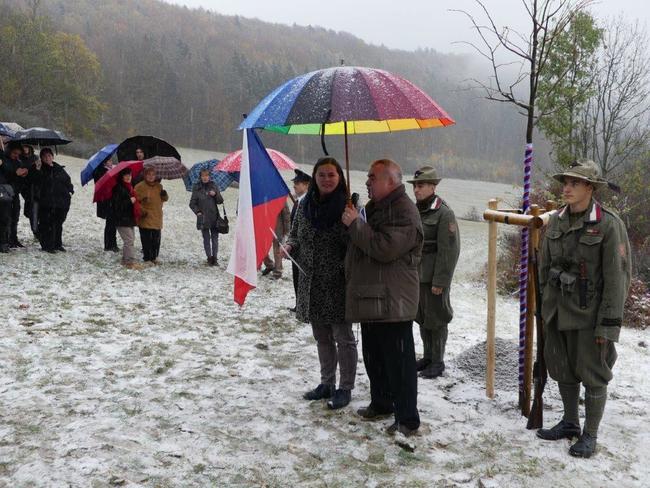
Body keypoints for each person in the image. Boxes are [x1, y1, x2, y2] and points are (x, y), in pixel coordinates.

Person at [536, 159, 631, 458]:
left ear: (590, 188)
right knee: (562, 370)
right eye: (565, 182)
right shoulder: (557, 220)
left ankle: (590, 434)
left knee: (593, 375)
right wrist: (543, 307)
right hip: (557, 311)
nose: (567, 187)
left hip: (589, 317)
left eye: (575, 183)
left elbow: (618, 279)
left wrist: (608, 325)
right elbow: (544, 267)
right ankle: (569, 422)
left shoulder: (608, 224)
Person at [341, 158, 423, 437]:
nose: (367, 182)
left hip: (394, 301)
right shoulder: (375, 207)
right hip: (373, 296)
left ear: (391, 181)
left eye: (372, 177)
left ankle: (408, 419)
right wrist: (354, 221)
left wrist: (356, 225)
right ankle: (382, 402)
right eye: (367, 177)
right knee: (374, 356)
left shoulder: (404, 211)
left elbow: (384, 247)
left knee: (398, 362)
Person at [285, 157, 357, 409]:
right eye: (322, 175)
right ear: (314, 178)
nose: (327, 179)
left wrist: (353, 223)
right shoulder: (304, 206)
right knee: (322, 336)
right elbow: (294, 233)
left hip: (338, 283)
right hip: (311, 281)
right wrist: (290, 244)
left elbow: (357, 245)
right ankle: (326, 383)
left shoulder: (348, 206)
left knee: (343, 337)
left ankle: (345, 388)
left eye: (332, 175)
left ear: (340, 178)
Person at [408, 166, 460, 379]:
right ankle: (428, 356)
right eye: (415, 186)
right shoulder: (415, 209)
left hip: (434, 275)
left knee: (437, 319)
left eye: (421, 186)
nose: (416, 190)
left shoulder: (444, 213)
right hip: (416, 274)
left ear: (433, 186)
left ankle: (438, 361)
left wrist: (441, 281)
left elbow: (450, 251)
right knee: (422, 317)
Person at [32, 148, 73, 253]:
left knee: (58, 224)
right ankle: (47, 245)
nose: (47, 158)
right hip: (46, 202)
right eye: (44, 156)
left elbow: (67, 180)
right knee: (47, 224)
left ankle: (57, 244)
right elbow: (36, 182)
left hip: (61, 201)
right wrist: (37, 170)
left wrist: (70, 190)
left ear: (52, 156)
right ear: (41, 158)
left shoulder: (58, 168)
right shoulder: (39, 169)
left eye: (49, 156)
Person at [288, 169, 312, 312]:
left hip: (304, 250)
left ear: (307, 185)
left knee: (303, 279)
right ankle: (299, 304)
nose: (295, 186)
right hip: (295, 248)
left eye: (298, 183)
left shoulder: (308, 203)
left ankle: (304, 306)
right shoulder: (298, 202)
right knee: (296, 277)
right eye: (294, 183)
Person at [189, 169, 224, 266]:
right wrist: (198, 212)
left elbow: (220, 201)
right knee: (206, 238)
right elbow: (192, 203)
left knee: (215, 238)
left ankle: (215, 258)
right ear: (200, 177)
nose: (205, 177)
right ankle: (209, 258)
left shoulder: (214, 186)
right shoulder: (197, 187)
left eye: (206, 175)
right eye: (203, 176)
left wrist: (215, 194)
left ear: (209, 176)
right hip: (203, 218)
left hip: (214, 217)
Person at [135, 166, 168, 264]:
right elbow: (135, 201)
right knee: (146, 239)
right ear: (145, 175)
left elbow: (163, 199)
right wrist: (142, 207)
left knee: (156, 238)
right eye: (148, 174)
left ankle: (154, 257)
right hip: (146, 216)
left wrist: (164, 195)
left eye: (153, 175)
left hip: (157, 216)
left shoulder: (159, 186)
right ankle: (147, 258)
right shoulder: (140, 186)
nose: (151, 176)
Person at [110, 168, 142, 269]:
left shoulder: (129, 187)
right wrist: (129, 201)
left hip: (129, 219)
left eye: (130, 175)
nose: (128, 177)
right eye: (126, 175)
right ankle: (129, 262)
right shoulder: (118, 188)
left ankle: (125, 260)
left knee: (130, 239)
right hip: (121, 219)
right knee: (129, 240)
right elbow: (117, 206)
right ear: (122, 176)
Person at [2, 142, 29, 248]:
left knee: (15, 217)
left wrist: (24, 174)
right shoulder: (3, 159)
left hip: (15, 193)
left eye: (18, 154)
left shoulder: (18, 162)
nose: (16, 155)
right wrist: (15, 173)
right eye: (14, 153)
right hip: (4, 193)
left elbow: (20, 178)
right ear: (9, 151)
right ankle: (5, 240)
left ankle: (13, 238)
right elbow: (5, 173)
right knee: (5, 217)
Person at [93, 159, 118, 252]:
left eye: (111, 160)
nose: (111, 162)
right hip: (107, 201)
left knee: (113, 223)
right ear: (104, 162)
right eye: (109, 161)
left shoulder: (110, 170)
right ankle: (109, 245)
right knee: (110, 224)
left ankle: (113, 244)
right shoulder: (101, 171)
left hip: (112, 201)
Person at [262, 200, 291, 279]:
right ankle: (269, 265)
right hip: (264, 226)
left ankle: (278, 272)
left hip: (277, 227)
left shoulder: (279, 196)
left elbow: (286, 213)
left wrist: (287, 230)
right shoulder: (262, 195)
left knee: (277, 250)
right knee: (262, 248)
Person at [21, 145, 40, 240]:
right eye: (23, 147)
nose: (25, 149)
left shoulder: (36, 158)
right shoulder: (20, 158)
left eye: (27, 147)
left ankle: (37, 231)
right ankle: (35, 231)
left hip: (37, 188)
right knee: (31, 211)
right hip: (26, 188)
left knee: (36, 211)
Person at [0, 151, 13, 252]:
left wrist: (3, 163)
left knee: (4, 218)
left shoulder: (3, 155)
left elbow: (10, 171)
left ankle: (3, 242)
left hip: (3, 191)